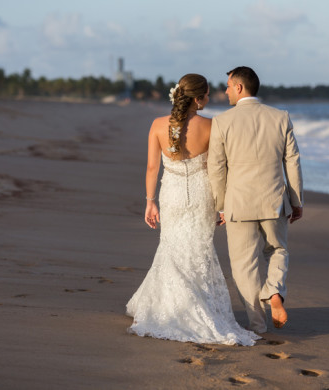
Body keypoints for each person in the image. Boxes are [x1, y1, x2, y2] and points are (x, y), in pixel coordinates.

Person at [126, 73, 259, 346]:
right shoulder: (213, 126)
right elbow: (219, 168)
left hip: (171, 195)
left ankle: (170, 307)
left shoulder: (158, 125)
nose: (209, 99)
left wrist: (150, 201)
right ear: (197, 99)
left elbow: (153, 168)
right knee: (198, 249)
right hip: (202, 195)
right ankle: (196, 307)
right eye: (207, 94)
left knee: (172, 247)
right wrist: (222, 204)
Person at [207, 66, 303, 334]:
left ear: (239, 87)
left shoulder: (222, 121)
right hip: (274, 200)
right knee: (278, 250)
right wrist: (296, 201)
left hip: (238, 204)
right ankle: (274, 294)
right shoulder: (280, 117)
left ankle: (257, 325)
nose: (225, 91)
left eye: (227, 85)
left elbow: (216, 168)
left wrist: (222, 206)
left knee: (243, 265)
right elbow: (292, 163)